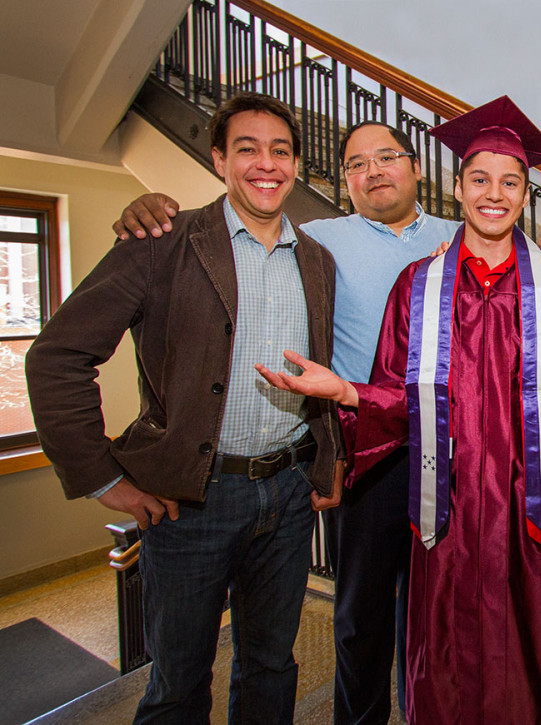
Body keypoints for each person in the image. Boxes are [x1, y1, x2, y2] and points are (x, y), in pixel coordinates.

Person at [255, 96, 541, 725]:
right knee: (453, 655)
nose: (494, 194)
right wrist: (349, 394)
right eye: (479, 180)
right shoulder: (419, 284)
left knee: (532, 649)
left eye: (511, 182)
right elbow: (402, 396)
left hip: (531, 508)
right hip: (454, 508)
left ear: (525, 194)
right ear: (458, 189)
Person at [114, 120, 460, 724]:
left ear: (417, 167)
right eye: (356, 163)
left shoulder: (469, 234)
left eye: (388, 157)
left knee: (446, 615)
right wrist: (148, 209)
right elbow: (234, 220)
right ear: (342, 179)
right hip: (369, 454)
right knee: (361, 618)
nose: (374, 171)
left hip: (457, 452)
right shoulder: (318, 240)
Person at [26, 92, 339, 723]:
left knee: (272, 665)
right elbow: (57, 357)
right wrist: (105, 478)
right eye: (246, 149)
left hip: (286, 494)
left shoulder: (317, 260)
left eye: (281, 150)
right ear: (219, 159)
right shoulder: (160, 243)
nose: (265, 164)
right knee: (178, 679)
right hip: (191, 501)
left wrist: (324, 463)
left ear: (297, 165)